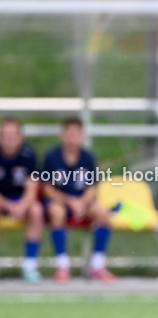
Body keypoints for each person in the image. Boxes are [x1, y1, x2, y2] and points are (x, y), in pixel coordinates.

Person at [42, 117, 115, 283]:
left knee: (103, 213)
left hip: (83, 203)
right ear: (62, 135)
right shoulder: (52, 156)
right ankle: (62, 266)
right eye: (68, 134)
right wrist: (69, 201)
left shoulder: (87, 157)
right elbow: (47, 188)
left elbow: (92, 186)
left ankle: (97, 265)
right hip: (61, 201)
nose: (72, 138)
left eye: (75, 134)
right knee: (56, 212)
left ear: (81, 135)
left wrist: (82, 202)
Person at [0, 117, 44, 282]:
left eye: (13, 136)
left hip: (21, 198)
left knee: (37, 210)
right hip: (2, 199)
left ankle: (30, 265)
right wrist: (9, 206)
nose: (9, 140)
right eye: (5, 135)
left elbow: (32, 186)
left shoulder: (29, 155)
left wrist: (22, 206)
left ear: (20, 137)